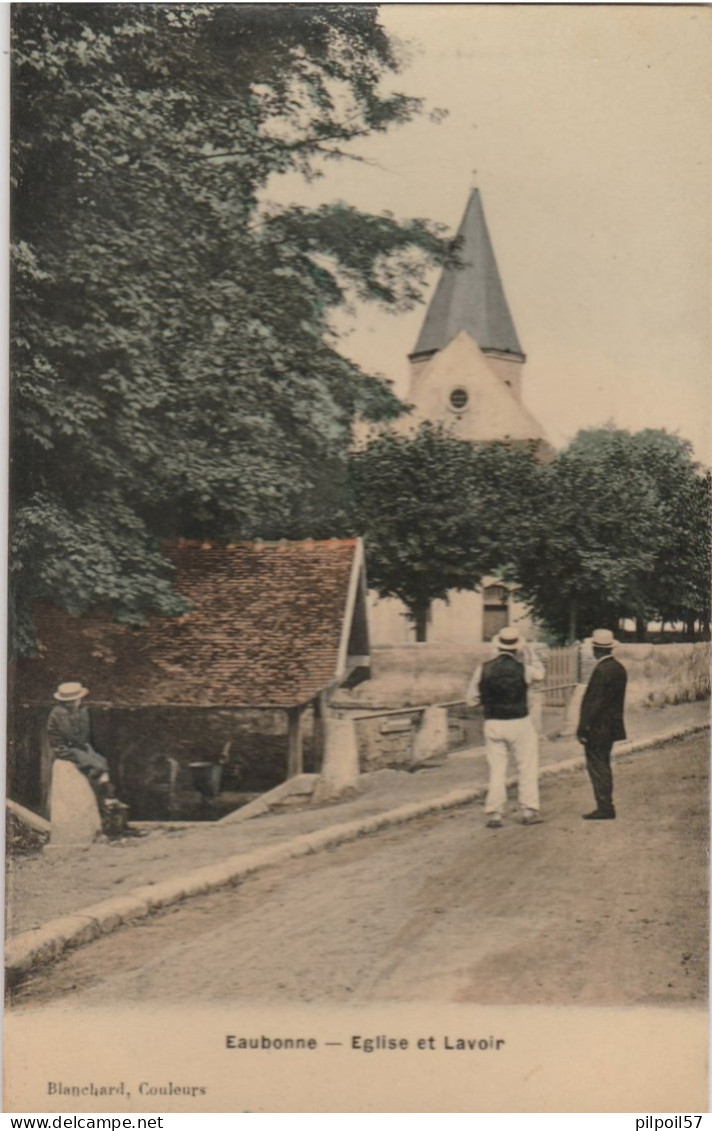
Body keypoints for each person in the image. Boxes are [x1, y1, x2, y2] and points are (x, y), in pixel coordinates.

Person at [466, 627, 545, 828]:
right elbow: (541, 675)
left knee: (497, 770)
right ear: (517, 647)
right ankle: (528, 810)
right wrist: (530, 653)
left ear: (497, 645)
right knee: (526, 766)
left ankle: (495, 813)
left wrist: (486, 700)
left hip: (493, 722)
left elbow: (471, 700)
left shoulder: (482, 668)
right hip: (519, 721)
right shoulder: (524, 669)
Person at [576, 628, 627, 820]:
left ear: (596, 650)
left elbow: (593, 703)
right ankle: (606, 805)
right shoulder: (619, 668)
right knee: (604, 764)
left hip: (597, 728)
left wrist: (583, 728)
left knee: (598, 767)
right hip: (612, 727)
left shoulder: (600, 670)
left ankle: (605, 807)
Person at [47, 681, 118, 809]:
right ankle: (107, 796)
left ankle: (108, 796)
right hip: (64, 749)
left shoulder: (80, 711)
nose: (75, 703)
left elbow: (84, 734)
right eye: (71, 700)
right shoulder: (59, 713)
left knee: (102, 761)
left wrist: (86, 747)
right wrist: (83, 747)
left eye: (76, 699)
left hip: (78, 746)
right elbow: (69, 735)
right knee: (95, 764)